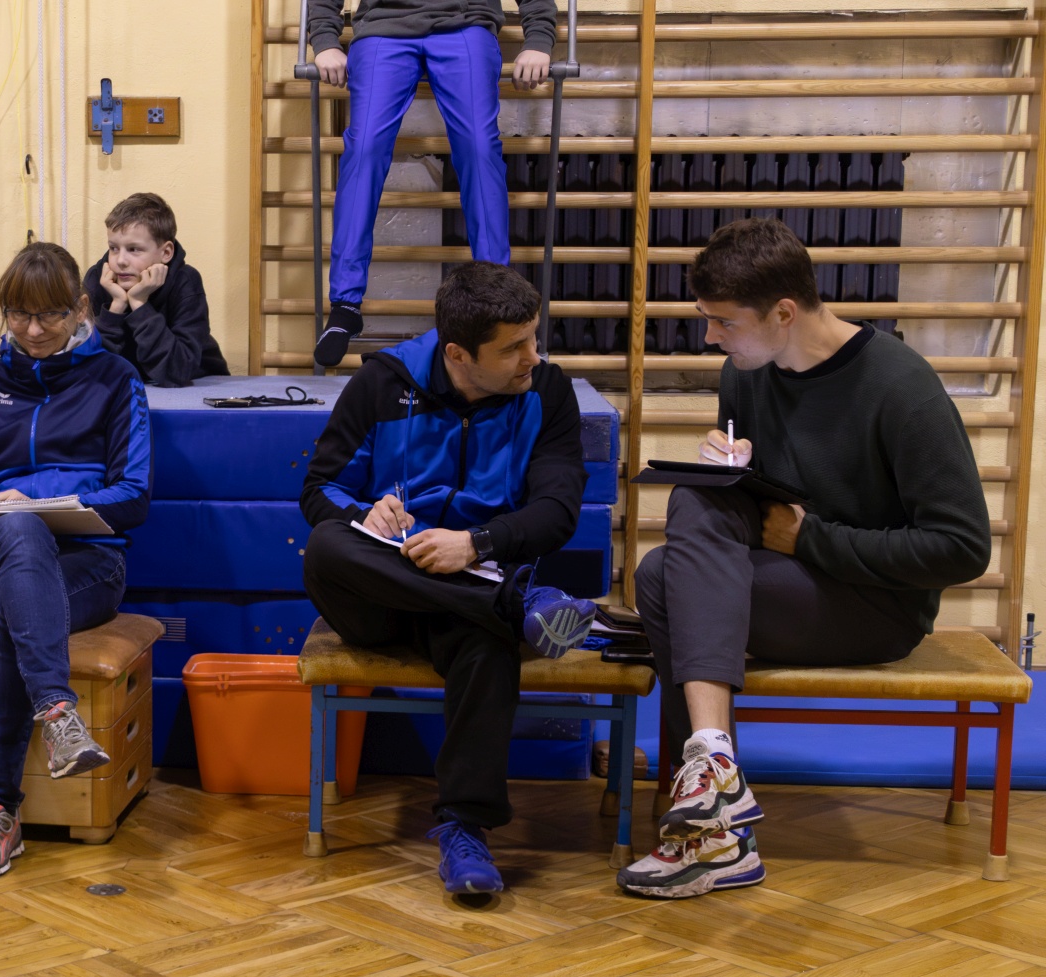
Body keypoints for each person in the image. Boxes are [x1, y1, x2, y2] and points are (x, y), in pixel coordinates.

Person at [617, 218, 991, 899]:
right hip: (790, 581)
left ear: (784, 313)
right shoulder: (746, 373)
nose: (711, 337)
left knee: (661, 580)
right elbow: (765, 508)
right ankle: (714, 770)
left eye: (724, 323)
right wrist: (734, 473)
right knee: (689, 512)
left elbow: (962, 547)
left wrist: (811, 540)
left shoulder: (901, 386)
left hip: (877, 608)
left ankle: (715, 828)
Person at [300, 261, 595, 895]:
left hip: (472, 592)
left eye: (534, 338)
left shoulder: (547, 392)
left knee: (486, 643)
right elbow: (319, 490)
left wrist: (475, 544)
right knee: (326, 547)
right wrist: (362, 514)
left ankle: (466, 830)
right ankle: (517, 605)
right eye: (513, 348)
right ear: (458, 353)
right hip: (383, 593)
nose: (533, 357)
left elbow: (557, 511)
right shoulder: (382, 383)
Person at [0, 242, 152, 880]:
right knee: (15, 529)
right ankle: (58, 715)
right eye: (18, 315)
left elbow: (134, 497)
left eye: (49, 315)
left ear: (79, 308)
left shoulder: (116, 379)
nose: (32, 330)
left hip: (88, 565)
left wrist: (45, 503)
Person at [307, 0, 556, 367]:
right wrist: (325, 41)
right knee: (364, 149)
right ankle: (345, 305)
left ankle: (496, 300)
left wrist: (538, 39)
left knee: (478, 148)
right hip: (383, 27)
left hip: (465, 23)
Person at [84, 192, 228, 387]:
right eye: (114, 248)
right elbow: (88, 371)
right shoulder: (98, 279)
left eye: (134, 249)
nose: (121, 261)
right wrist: (116, 308)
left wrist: (140, 305)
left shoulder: (185, 281)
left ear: (166, 252)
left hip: (197, 384)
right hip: (133, 386)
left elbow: (177, 372)